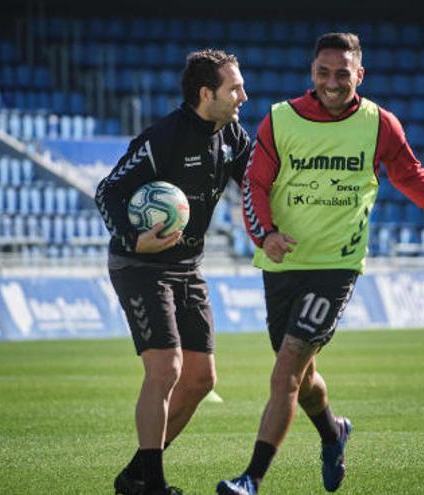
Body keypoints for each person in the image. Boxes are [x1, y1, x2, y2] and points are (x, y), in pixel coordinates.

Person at [217, 33, 424, 495]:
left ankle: (252, 479)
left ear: (359, 75)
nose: (332, 82)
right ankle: (334, 432)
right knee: (302, 380)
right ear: (312, 73)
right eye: (324, 73)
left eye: (343, 74)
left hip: (337, 265)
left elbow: (409, 175)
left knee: (286, 369)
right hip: (282, 262)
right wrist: (265, 235)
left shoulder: (379, 124)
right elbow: (255, 185)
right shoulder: (279, 120)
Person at [95, 49, 250, 495]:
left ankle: (136, 476)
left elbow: (260, 183)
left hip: (189, 267)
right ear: (207, 93)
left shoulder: (232, 137)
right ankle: (155, 486)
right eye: (234, 87)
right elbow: (108, 192)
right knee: (166, 369)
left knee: (201, 378)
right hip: (140, 265)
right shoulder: (163, 138)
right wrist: (131, 238)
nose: (244, 95)